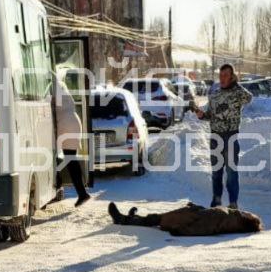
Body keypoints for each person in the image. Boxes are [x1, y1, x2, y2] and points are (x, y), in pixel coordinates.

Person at [202, 63, 253, 208]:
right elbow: (209, 115)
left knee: (231, 173)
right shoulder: (214, 94)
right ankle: (216, 200)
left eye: (226, 75)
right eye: (221, 75)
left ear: (231, 77)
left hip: (230, 137)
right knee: (216, 172)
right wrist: (201, 115)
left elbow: (249, 98)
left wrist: (235, 85)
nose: (222, 78)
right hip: (216, 137)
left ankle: (233, 203)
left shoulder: (237, 92)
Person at [107, 200, 261, 236]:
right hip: (190, 214)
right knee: (157, 219)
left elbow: (205, 227)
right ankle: (134, 218)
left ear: (247, 220)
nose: (248, 211)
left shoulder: (228, 217)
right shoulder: (231, 216)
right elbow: (209, 213)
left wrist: (181, 231)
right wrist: (197, 207)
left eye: (250, 214)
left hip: (186, 221)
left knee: (158, 220)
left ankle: (123, 220)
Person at [52, 75, 91, 207]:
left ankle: (63, 185)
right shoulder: (60, 84)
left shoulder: (51, 86)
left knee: (65, 157)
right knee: (69, 158)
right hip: (72, 121)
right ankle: (79, 192)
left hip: (65, 124)